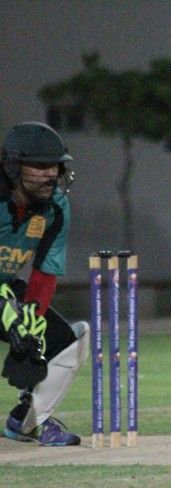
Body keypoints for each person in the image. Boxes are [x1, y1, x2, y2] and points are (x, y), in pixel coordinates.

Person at [0, 121, 88, 446]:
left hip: (5, 290)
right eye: (39, 166)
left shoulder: (56, 208)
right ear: (13, 167)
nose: (51, 174)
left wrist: (30, 322)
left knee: (69, 341)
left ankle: (29, 420)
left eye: (55, 166)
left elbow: (44, 274)